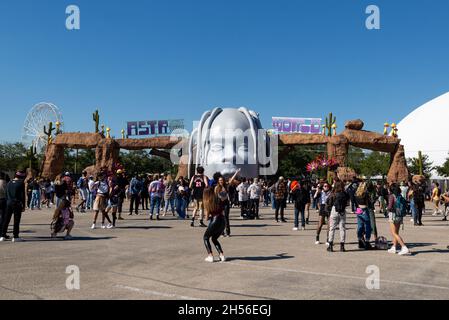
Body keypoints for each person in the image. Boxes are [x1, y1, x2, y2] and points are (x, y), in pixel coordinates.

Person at [0, 171, 26, 242]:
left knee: (6, 219)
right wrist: (24, 205)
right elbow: (22, 195)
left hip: (8, 202)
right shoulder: (21, 183)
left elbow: (6, 194)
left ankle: (2, 235)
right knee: (16, 220)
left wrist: (8, 201)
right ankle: (15, 236)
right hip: (17, 203)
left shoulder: (9, 182)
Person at [202, 188, 226, 263]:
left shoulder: (207, 201)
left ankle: (210, 256)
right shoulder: (218, 198)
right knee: (214, 238)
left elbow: (206, 218)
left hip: (215, 220)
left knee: (206, 237)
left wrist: (206, 216)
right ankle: (222, 255)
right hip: (222, 220)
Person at [215, 169, 240, 236]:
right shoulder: (216, 187)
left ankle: (228, 232)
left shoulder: (226, 185)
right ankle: (221, 232)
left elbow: (231, 179)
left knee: (226, 217)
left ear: (223, 181)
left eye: (222, 180)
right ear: (218, 181)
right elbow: (215, 196)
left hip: (226, 204)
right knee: (220, 218)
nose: (221, 181)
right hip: (219, 204)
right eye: (220, 180)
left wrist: (236, 172)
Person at [387, 184, 410, 255]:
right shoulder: (400, 196)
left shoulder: (392, 196)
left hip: (393, 215)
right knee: (396, 232)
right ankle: (394, 247)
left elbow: (390, 207)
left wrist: (387, 209)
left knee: (394, 233)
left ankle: (404, 247)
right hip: (400, 216)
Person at [326, 180, 349, 252]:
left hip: (334, 210)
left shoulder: (333, 193)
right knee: (342, 228)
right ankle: (342, 246)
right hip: (342, 211)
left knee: (332, 228)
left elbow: (328, 202)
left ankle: (330, 245)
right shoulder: (345, 194)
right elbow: (348, 202)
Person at [355, 182, 373, 250]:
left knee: (360, 225)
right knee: (367, 226)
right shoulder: (366, 194)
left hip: (358, 209)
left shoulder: (356, 193)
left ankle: (360, 241)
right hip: (364, 209)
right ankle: (367, 242)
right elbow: (369, 203)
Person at [0, 172, 7, 239]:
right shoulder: (3, 182)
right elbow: (6, 192)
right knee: (3, 218)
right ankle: (2, 233)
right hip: (2, 200)